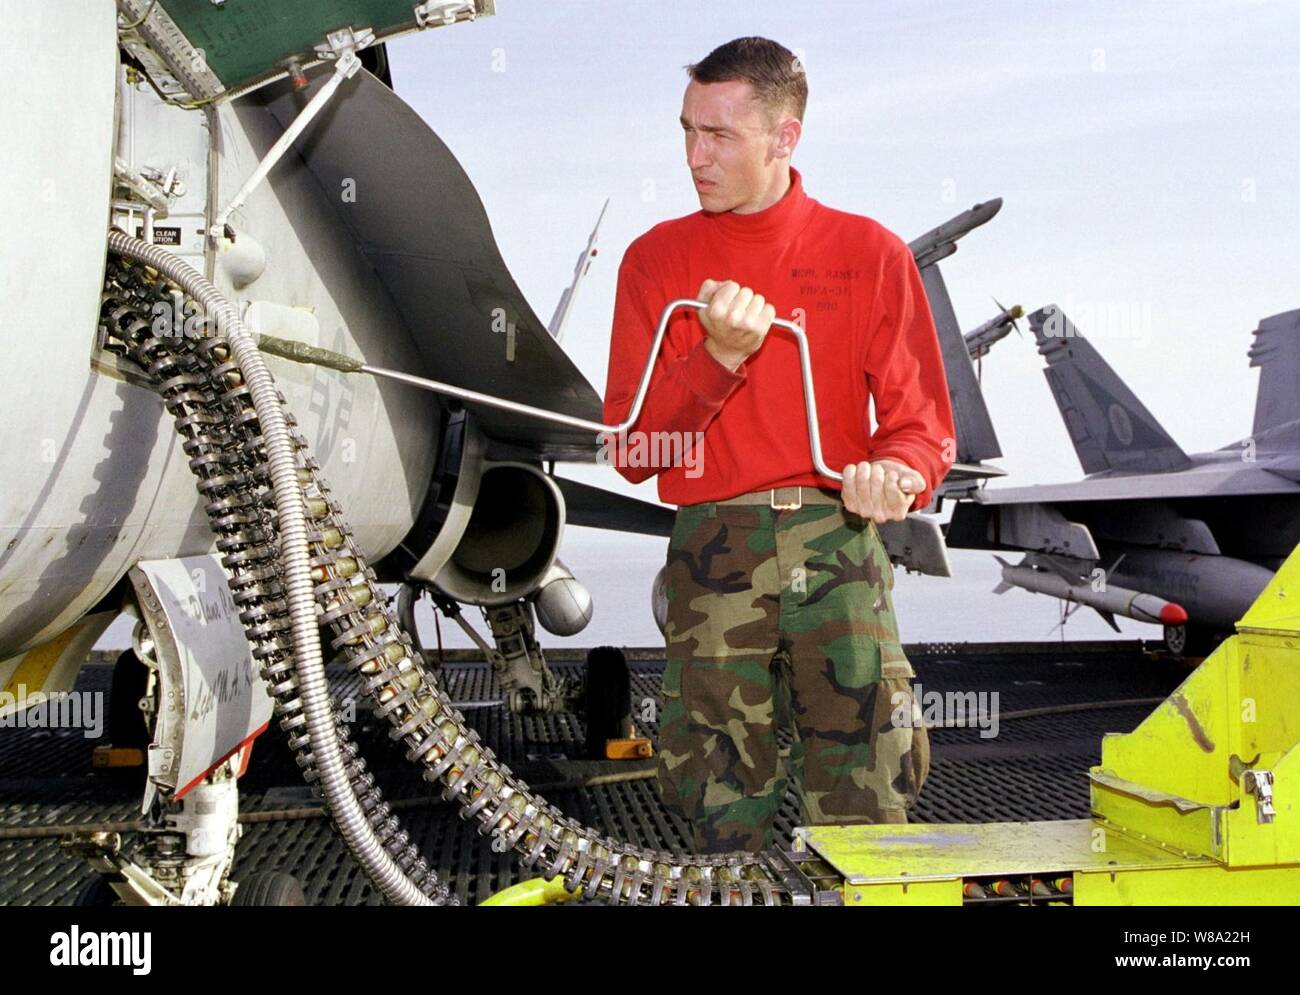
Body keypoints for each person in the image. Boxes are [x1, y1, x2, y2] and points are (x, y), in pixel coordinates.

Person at [601, 36, 956, 853]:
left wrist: (898, 475)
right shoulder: (655, 263)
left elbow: (923, 426)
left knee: (872, 782)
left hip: (840, 541)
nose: (694, 155)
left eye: (718, 135)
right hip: (712, 547)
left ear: (785, 137)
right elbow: (633, 450)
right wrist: (719, 360)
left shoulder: (868, 254)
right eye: (687, 129)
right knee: (721, 798)